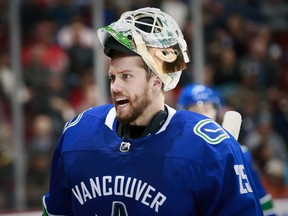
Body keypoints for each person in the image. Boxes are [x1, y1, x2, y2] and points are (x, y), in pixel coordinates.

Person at [42, 7, 263, 215]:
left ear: (157, 81)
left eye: (126, 76)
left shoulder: (209, 148)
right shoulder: (78, 134)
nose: (115, 87)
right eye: (113, 77)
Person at [177, 83, 276, 216]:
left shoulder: (240, 153)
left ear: (216, 111)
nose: (201, 116)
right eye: (195, 111)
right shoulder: (174, 154)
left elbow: (260, 197)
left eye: (206, 109)